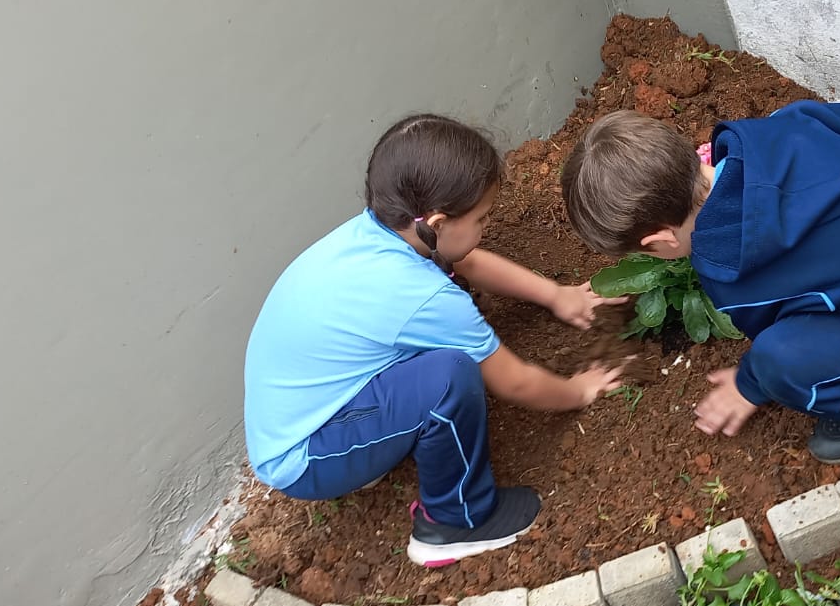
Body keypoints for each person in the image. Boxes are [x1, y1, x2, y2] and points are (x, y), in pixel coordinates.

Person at [244, 114, 627, 567]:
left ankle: (385, 437)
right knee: (448, 377)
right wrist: (578, 390)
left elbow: (467, 261)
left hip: (301, 415)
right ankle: (455, 523)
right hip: (305, 457)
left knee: (435, 359)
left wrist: (555, 295)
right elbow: (516, 382)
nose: (486, 226)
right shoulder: (424, 298)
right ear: (438, 223)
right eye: (482, 217)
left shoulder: (380, 234)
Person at [560, 100, 840, 465]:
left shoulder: (734, 272)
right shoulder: (780, 125)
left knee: (777, 359)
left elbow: (788, 339)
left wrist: (751, 384)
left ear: (660, 240)